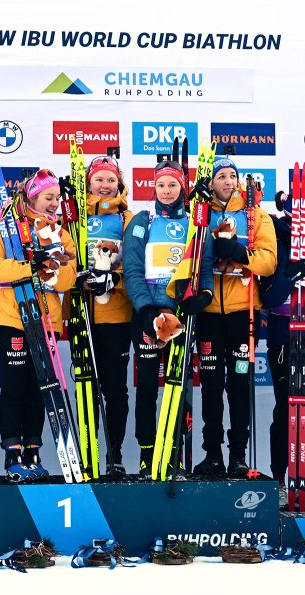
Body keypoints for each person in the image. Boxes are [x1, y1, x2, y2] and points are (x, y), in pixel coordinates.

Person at [0, 169, 77, 481]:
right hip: (12, 317)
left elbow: (68, 277)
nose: (54, 203)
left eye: (56, 198)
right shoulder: (5, 227)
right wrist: (30, 266)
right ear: (32, 197)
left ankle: (33, 450)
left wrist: (50, 269)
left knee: (41, 388)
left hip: (46, 318)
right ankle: (13, 452)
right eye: (48, 197)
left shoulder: (59, 232)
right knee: (14, 387)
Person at [123, 159, 214, 475]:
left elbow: (204, 269)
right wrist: (146, 310)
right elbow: (132, 270)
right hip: (148, 315)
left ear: (183, 187)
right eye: (160, 184)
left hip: (182, 314)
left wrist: (202, 297)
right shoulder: (142, 220)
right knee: (147, 386)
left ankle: (173, 453)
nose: (165, 190)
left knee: (179, 384)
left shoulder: (196, 222)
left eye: (172, 184)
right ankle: (148, 456)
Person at [195, 157, 276, 476]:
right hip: (209, 313)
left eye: (233, 176)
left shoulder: (256, 215)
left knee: (240, 385)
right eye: (221, 176)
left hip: (244, 314)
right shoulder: (201, 214)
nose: (228, 181)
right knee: (211, 386)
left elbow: (269, 262)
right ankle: (212, 454)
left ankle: (238, 455)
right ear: (211, 183)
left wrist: (241, 255)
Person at [262, 191, 305, 509]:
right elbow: (270, 299)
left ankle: (302, 481)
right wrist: (291, 276)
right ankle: (278, 480)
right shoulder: (277, 243)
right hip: (284, 338)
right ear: (300, 218)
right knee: (287, 411)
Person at [81, 155, 134, 475]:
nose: (104, 185)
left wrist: (117, 278)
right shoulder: (75, 217)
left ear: (119, 183)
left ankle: (114, 455)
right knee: (86, 387)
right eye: (98, 179)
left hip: (116, 315)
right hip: (82, 314)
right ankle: (88, 454)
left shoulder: (128, 218)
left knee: (114, 388)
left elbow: (138, 262)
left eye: (110, 179)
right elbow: (64, 254)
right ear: (88, 182)